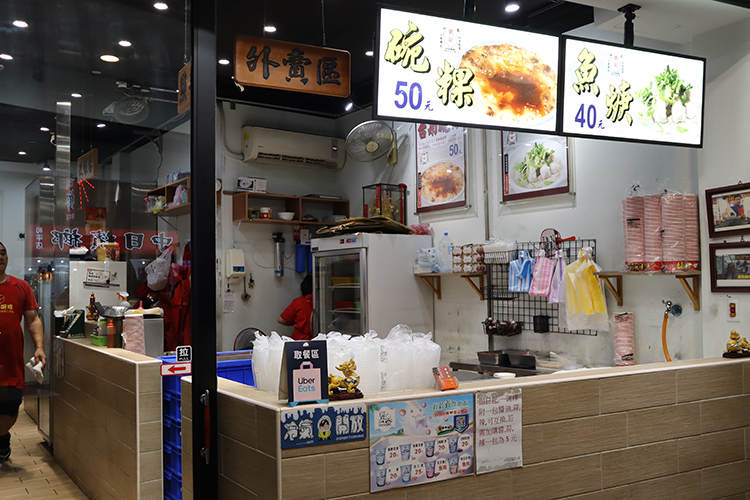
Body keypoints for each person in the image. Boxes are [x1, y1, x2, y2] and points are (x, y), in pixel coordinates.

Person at [0, 241, 46, 462]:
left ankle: (2, 436)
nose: (0, 257)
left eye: (3, 253)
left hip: (11, 362)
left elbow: (33, 319)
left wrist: (39, 347)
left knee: (10, 407)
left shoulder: (21, 287)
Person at [278, 274, 313, 341]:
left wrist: (297, 322)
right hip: (317, 339)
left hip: (298, 340)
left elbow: (281, 320)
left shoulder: (298, 302)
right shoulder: (323, 303)